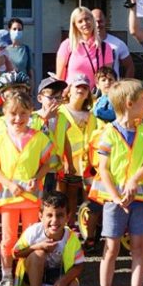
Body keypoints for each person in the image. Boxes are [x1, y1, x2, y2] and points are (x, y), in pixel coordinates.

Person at [88, 78, 143, 286]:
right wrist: (116, 197)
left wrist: (134, 180)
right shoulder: (107, 134)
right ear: (129, 103)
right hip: (113, 200)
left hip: (139, 199)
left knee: (139, 249)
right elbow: (103, 169)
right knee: (111, 248)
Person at [0, 91, 55, 286]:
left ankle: (27, 275)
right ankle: (7, 276)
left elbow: (47, 164)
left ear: (30, 114)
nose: (18, 118)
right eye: (13, 114)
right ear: (4, 113)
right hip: (8, 198)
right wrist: (8, 183)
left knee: (30, 238)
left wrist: (36, 178)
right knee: (8, 239)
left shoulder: (39, 138)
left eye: (23, 113)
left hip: (31, 197)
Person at [12, 191, 85, 286]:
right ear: (41, 216)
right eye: (49, 215)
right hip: (33, 273)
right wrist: (37, 246)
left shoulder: (71, 238)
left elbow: (79, 265)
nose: (54, 220)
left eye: (60, 215)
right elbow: (16, 253)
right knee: (38, 254)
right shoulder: (33, 232)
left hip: (55, 274)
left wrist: (64, 280)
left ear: (68, 217)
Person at [57, 74, 96, 222]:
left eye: (85, 87)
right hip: (62, 160)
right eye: (77, 86)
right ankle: (60, 224)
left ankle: (72, 223)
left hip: (82, 163)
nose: (81, 89)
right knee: (60, 194)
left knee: (74, 195)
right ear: (69, 90)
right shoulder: (60, 111)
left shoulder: (91, 115)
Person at [56, 7, 116, 91]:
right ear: (75, 25)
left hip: (95, 99)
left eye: (87, 19)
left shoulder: (105, 47)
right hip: (72, 98)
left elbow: (108, 79)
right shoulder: (67, 45)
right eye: (80, 21)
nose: (85, 23)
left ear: (93, 20)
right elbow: (60, 79)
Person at [92, 8, 135, 79]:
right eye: (94, 22)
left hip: (112, 87)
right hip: (89, 87)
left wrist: (126, 87)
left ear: (105, 21)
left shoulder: (118, 43)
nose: (97, 25)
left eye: (100, 21)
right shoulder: (83, 44)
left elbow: (130, 66)